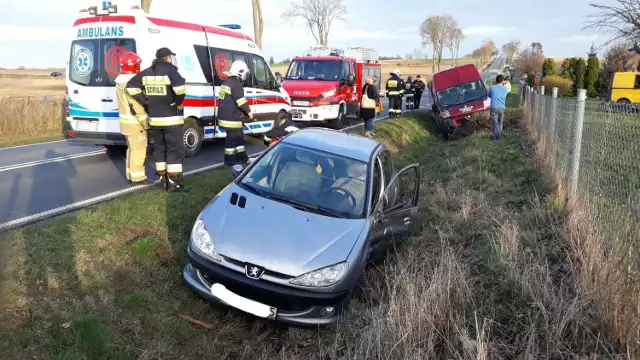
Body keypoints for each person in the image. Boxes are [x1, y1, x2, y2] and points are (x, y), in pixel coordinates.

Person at [127, 47, 189, 192]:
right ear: (167, 58)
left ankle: (163, 180)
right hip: (172, 119)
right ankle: (174, 184)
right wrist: (178, 102)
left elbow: (131, 88)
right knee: (174, 150)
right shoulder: (171, 71)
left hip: (155, 120)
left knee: (160, 149)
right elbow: (180, 89)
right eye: (170, 57)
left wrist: (145, 101)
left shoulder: (147, 72)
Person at [115, 52, 151, 185]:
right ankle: (138, 177)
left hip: (125, 123)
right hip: (135, 123)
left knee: (131, 149)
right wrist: (145, 123)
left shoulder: (120, 81)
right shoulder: (132, 83)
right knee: (139, 150)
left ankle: (130, 174)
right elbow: (136, 106)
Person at [217, 60, 253, 165]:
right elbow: (240, 101)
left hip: (224, 117)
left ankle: (242, 158)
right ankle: (230, 161)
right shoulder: (236, 84)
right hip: (231, 119)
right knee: (233, 140)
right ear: (240, 72)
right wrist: (249, 112)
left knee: (237, 139)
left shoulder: (227, 82)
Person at [487, 74, 510, 140]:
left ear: (496, 81)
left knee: (495, 122)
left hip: (494, 107)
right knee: (500, 122)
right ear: (502, 81)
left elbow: (489, 95)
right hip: (502, 107)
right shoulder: (505, 89)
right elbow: (505, 95)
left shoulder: (492, 88)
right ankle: (499, 135)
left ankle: (497, 136)